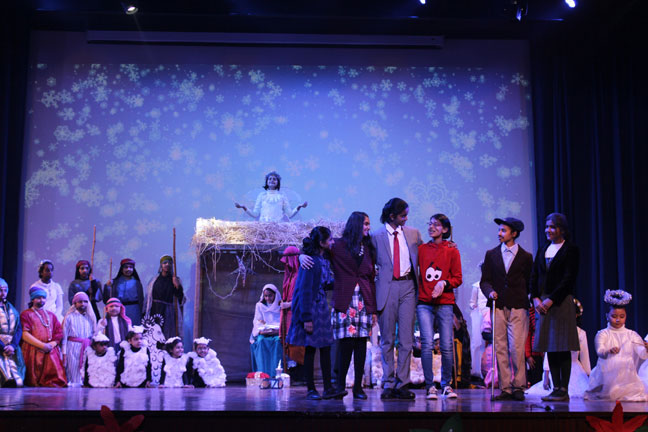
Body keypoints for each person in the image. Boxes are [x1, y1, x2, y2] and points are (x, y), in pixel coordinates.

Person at [372, 198, 423, 400]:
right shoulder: (376, 236)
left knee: (406, 339)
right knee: (387, 339)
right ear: (391, 216)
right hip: (387, 287)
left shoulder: (413, 234)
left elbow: (426, 256)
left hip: (408, 286)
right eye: (403, 215)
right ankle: (388, 382)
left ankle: (403, 383)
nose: (406, 218)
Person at [286, 227, 345, 400]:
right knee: (310, 349)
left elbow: (324, 283)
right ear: (321, 242)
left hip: (321, 308)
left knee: (325, 347)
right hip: (311, 308)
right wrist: (306, 317)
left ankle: (328, 388)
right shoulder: (310, 262)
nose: (332, 242)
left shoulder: (322, 260)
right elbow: (305, 290)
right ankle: (311, 389)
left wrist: (342, 282)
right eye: (330, 239)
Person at [480, 217, 533, 401]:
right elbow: (485, 281)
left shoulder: (526, 257)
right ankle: (505, 388)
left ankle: (519, 386)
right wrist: (490, 292)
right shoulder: (491, 254)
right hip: (498, 305)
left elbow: (530, 281)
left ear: (514, 234)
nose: (499, 233)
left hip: (518, 306)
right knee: (500, 347)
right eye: (499, 230)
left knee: (517, 347)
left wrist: (528, 298)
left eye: (503, 230)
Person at [530, 213, 580, 402]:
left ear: (562, 229)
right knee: (550, 346)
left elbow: (569, 278)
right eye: (546, 226)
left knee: (562, 345)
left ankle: (563, 389)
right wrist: (535, 298)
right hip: (542, 303)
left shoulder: (571, 250)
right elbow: (534, 275)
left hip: (560, 302)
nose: (548, 230)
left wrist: (551, 299)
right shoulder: (543, 249)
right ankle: (555, 387)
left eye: (552, 227)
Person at [329, 211, 377, 400]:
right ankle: (340, 385)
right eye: (365, 224)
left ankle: (358, 387)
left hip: (363, 300)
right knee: (345, 344)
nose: (368, 227)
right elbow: (314, 246)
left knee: (361, 344)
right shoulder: (338, 245)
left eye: (368, 224)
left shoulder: (368, 247)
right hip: (345, 300)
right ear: (356, 225)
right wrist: (301, 257)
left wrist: (373, 308)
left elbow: (371, 279)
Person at [417, 213, 462, 399]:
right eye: (430, 224)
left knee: (446, 345)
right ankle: (430, 386)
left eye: (436, 224)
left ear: (444, 229)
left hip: (444, 303)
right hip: (424, 303)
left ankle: (446, 385)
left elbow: (458, 278)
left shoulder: (452, 250)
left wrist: (444, 283)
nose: (431, 227)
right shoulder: (421, 249)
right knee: (427, 344)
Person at [585, 290, 648, 401]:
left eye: (622, 316)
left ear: (626, 316)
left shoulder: (631, 334)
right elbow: (600, 351)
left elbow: (642, 354)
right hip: (607, 374)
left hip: (627, 376)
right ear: (607, 316)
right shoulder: (603, 334)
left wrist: (646, 349)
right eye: (614, 316)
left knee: (634, 396)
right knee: (608, 395)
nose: (618, 319)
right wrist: (608, 351)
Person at [527, 298, 591, 398]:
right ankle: (556, 388)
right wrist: (546, 374)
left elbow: (585, 356)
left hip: (575, 369)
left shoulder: (581, 333)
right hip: (556, 367)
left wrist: (587, 374)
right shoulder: (555, 330)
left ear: (576, 315)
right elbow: (549, 353)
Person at [20, 286, 66, 387]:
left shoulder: (51, 315)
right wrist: (42, 345)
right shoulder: (26, 314)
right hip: (33, 349)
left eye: (43, 298)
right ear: (32, 299)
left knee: (56, 381)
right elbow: (24, 334)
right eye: (38, 298)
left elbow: (58, 332)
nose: (41, 300)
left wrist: (51, 344)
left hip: (50, 350)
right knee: (33, 381)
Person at [235, 171, 307, 222]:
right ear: (267, 182)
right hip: (263, 227)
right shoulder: (262, 195)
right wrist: (243, 207)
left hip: (278, 227)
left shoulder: (282, 196)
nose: (272, 180)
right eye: (270, 179)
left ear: (278, 182)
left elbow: (289, 214)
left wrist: (299, 207)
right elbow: (255, 214)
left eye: (274, 179)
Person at [144, 255, 185, 338]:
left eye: (169, 263)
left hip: (168, 311)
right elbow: (148, 297)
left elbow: (180, 299)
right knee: (154, 333)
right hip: (155, 309)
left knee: (166, 333)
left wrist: (177, 286)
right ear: (161, 265)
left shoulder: (175, 280)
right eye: (165, 263)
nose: (167, 264)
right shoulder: (154, 280)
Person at [62, 291, 96, 387]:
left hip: (88, 347)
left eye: (85, 301)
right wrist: (64, 353)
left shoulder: (91, 317)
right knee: (74, 371)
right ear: (75, 303)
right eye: (80, 302)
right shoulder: (69, 317)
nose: (83, 304)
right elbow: (64, 337)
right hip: (72, 348)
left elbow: (94, 334)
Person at [279, 246, 305, 371]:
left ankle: (299, 373)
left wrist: (289, 305)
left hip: (297, 314)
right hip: (288, 315)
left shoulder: (300, 275)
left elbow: (304, 296)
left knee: (297, 344)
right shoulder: (289, 276)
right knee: (289, 344)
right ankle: (291, 372)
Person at [249, 284, 282, 377]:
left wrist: (277, 330)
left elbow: (282, 321)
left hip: (277, 332)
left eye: (270, 295)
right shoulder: (259, 305)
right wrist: (262, 330)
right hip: (264, 331)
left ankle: (276, 375)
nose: (267, 298)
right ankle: (263, 374)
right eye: (265, 296)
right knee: (260, 341)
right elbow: (257, 320)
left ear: (275, 295)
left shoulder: (280, 305)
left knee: (278, 342)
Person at [0, 278, 26, 387]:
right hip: (1, 346)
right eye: (0, 290)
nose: (3, 293)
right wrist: (3, 347)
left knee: (18, 381)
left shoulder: (11, 308)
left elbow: (18, 328)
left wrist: (13, 345)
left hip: (11, 347)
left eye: (5, 290)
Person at [104, 258, 144, 326]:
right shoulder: (115, 282)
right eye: (126, 267)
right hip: (119, 309)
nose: (128, 269)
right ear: (122, 269)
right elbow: (108, 299)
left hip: (134, 310)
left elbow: (141, 299)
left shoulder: (137, 283)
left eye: (131, 267)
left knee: (134, 328)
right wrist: (107, 287)